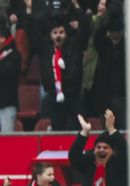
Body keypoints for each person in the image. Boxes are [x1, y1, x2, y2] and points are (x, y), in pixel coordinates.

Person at [21, 0, 89, 131]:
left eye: (61, 32)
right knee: (58, 133)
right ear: (50, 36)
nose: (58, 36)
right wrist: (29, 10)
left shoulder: (74, 45)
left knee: (83, 130)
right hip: (54, 96)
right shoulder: (44, 48)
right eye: (55, 33)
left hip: (74, 95)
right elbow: (31, 32)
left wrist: (76, 6)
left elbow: (85, 28)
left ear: (66, 34)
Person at [70, 110, 129, 186]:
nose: (101, 150)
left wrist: (112, 130)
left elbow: (126, 150)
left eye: (106, 147)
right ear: (94, 149)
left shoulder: (120, 163)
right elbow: (73, 155)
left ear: (113, 151)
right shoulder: (87, 163)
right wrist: (84, 133)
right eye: (98, 147)